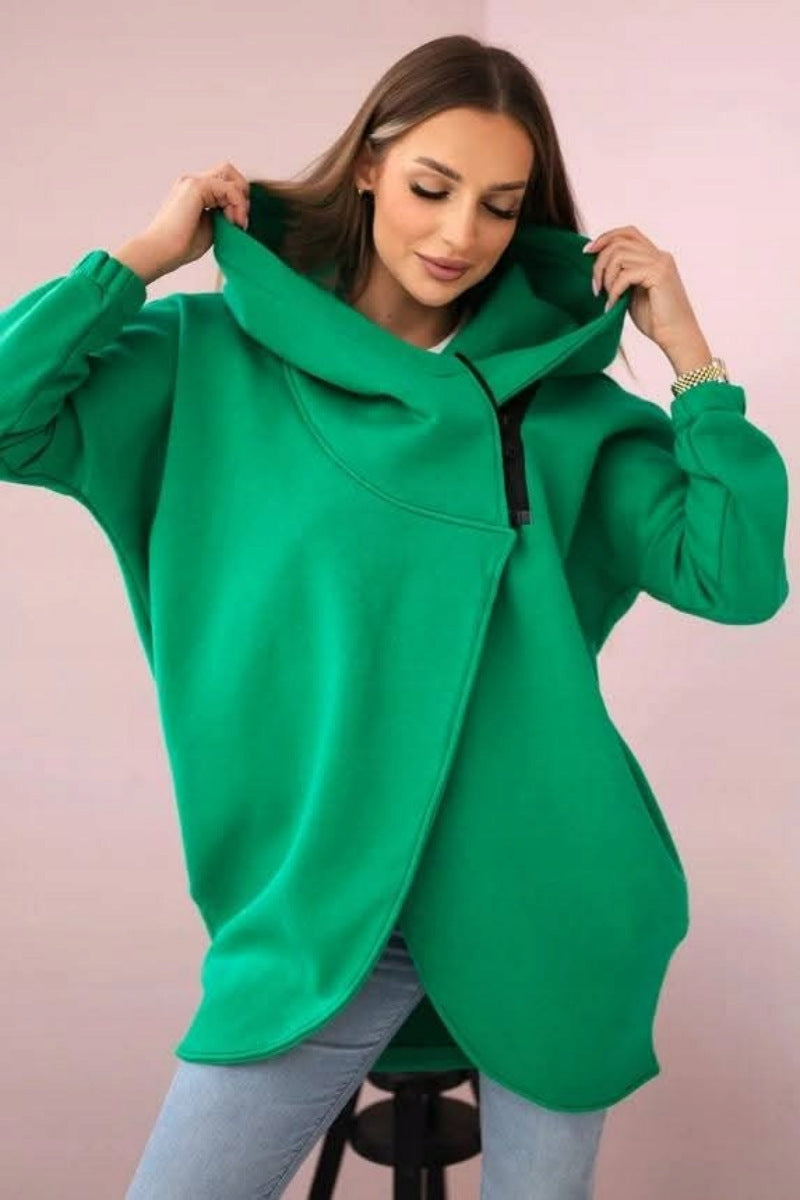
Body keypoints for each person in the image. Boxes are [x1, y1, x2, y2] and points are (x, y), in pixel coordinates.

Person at [0, 34, 789, 1200]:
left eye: (498, 206)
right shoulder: (207, 361)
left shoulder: (558, 409)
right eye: (431, 186)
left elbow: (735, 577)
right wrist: (140, 259)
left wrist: (690, 358)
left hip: (545, 894)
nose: (460, 233)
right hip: (324, 907)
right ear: (368, 166)